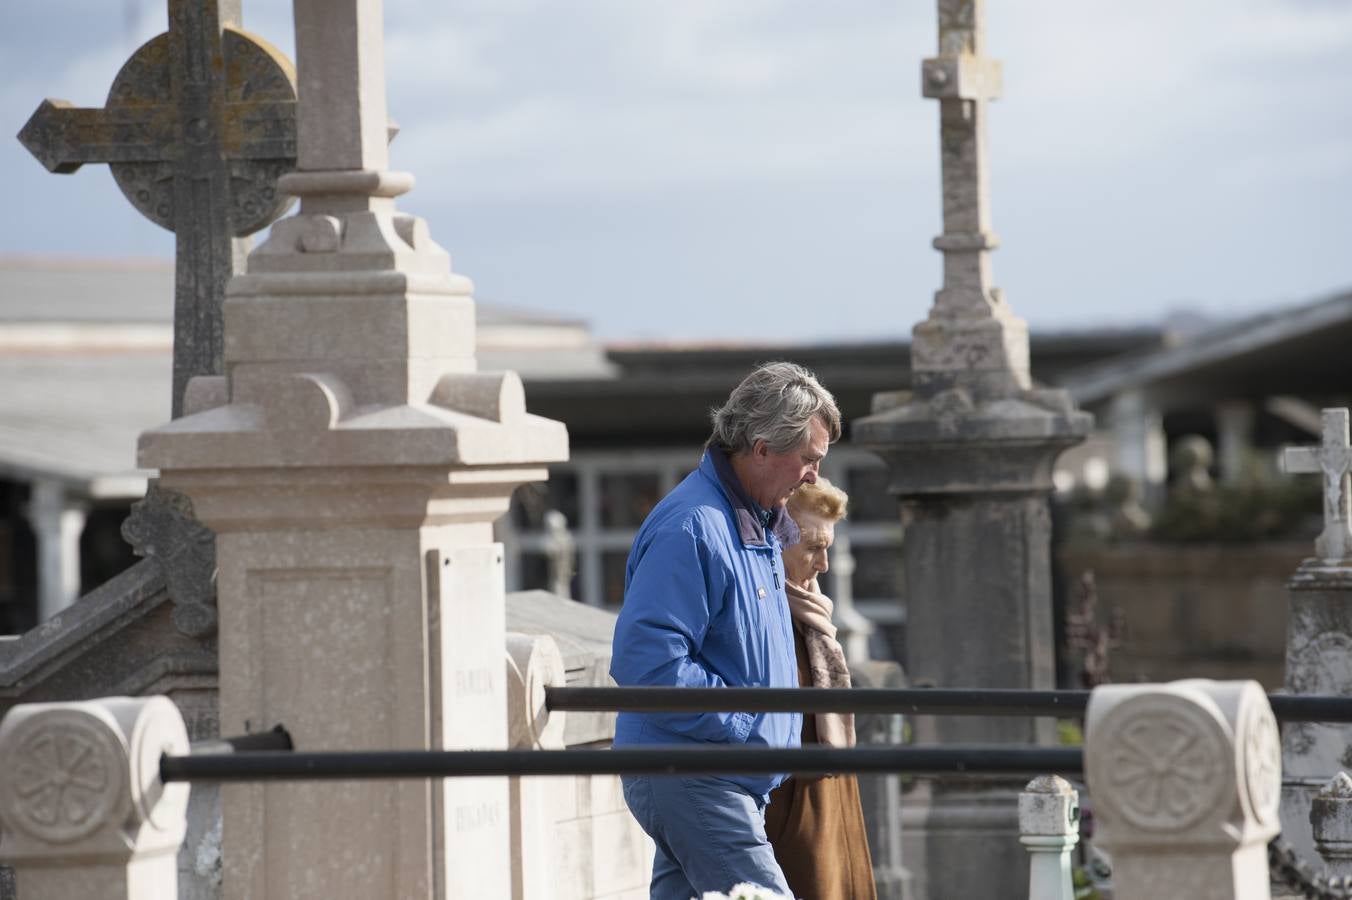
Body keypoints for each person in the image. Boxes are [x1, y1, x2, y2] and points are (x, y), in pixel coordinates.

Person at [610, 361, 842, 900]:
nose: (813, 475)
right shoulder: (694, 524)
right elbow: (647, 660)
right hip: (697, 774)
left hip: (710, 772)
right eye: (808, 459)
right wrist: (744, 722)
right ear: (762, 448)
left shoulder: (753, 521)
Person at [763, 478, 877, 900]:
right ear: (776, 541)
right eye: (812, 546)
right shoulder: (765, 611)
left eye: (827, 546)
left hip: (832, 793)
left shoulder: (812, 610)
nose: (824, 563)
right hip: (792, 803)